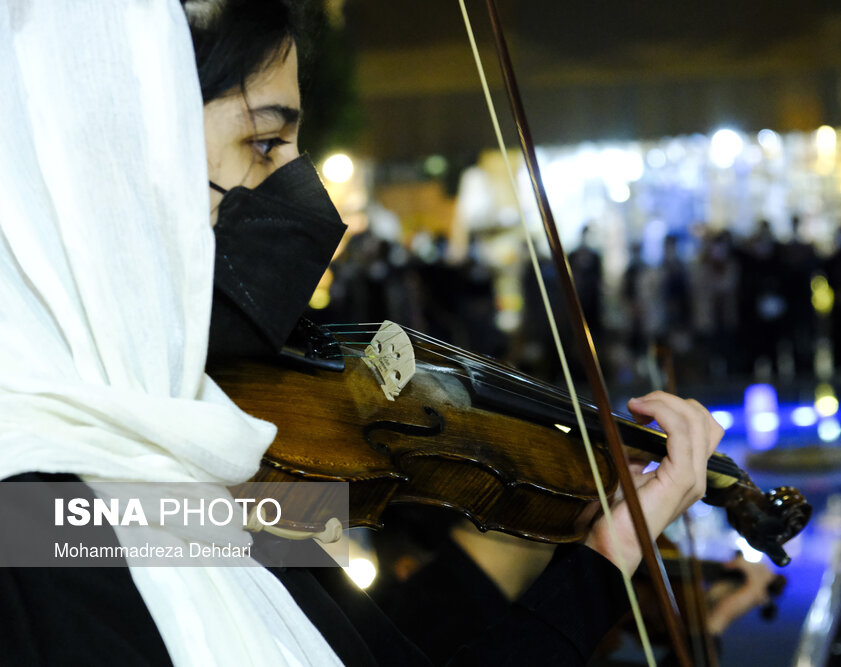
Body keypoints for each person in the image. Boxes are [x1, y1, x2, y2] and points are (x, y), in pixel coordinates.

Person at [0, 2, 722, 666]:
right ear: (113, 162)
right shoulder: (37, 528)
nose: (302, 191)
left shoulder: (196, 468)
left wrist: (606, 554)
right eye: (265, 141)